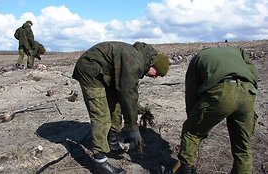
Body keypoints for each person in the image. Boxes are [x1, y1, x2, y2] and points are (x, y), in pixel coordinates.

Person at [72, 41, 170, 174]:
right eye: (157, 73)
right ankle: (100, 162)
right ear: (153, 65)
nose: (155, 77)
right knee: (101, 115)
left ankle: (111, 140)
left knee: (116, 105)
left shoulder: (138, 59)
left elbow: (128, 96)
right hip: (90, 72)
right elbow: (128, 93)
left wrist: (141, 110)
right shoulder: (134, 61)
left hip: (105, 74)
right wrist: (132, 127)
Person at [174, 47, 258, 174]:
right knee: (243, 148)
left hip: (222, 92)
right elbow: (253, 72)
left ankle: (185, 170)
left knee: (191, 132)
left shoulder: (198, 58)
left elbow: (191, 92)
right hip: (248, 91)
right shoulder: (237, 51)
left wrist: (193, 119)